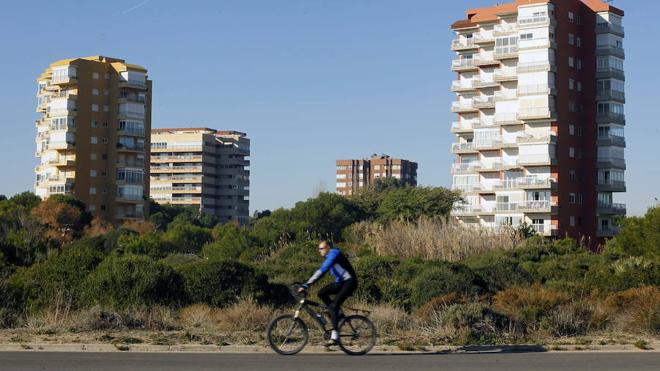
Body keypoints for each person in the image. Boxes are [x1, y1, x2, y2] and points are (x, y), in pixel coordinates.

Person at [298, 240, 358, 346]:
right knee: (321, 293)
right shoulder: (329, 257)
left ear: (328, 248)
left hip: (350, 282)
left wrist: (306, 285)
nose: (319, 251)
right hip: (341, 283)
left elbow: (322, 270)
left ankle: (335, 337)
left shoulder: (334, 253)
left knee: (334, 306)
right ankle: (336, 313)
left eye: (321, 248)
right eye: (319, 249)